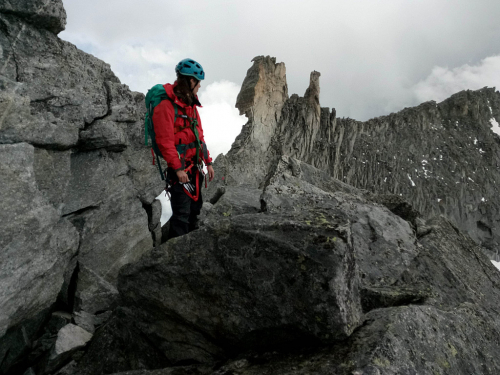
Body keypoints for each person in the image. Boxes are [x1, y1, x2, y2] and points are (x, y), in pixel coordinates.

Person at [152, 58, 215, 239]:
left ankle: (191, 247)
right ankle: (175, 255)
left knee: (195, 209)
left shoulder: (191, 105)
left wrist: (208, 162)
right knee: (181, 214)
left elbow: (199, 137)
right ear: (190, 81)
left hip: (193, 169)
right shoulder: (166, 105)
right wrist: (178, 168)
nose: (200, 87)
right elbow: (165, 141)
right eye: (198, 82)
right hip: (179, 171)